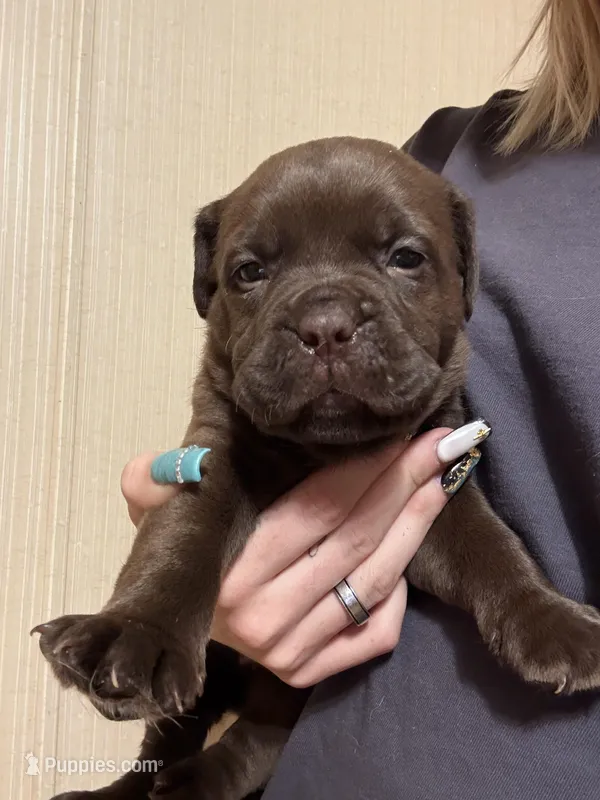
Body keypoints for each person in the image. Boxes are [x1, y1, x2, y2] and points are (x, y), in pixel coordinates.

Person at [121, 0, 600, 796]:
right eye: (251, 273)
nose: (327, 324)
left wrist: (522, 604)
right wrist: (183, 584)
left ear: (464, 272)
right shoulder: (454, 152)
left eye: (403, 259)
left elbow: (446, 503)